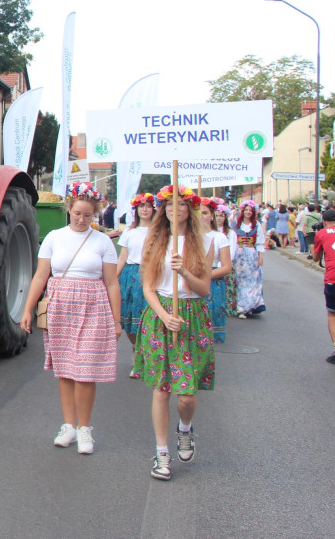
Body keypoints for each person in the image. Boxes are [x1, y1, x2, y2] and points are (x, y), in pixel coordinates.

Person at [20, 182, 120, 455]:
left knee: (86, 371)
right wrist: (27, 309)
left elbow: (112, 282)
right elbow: (41, 276)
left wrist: (117, 320)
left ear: (94, 214)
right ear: (69, 209)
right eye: (77, 213)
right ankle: (68, 426)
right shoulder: (54, 237)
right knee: (65, 369)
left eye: (87, 215)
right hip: (61, 303)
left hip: (93, 305)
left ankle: (85, 429)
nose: (81, 219)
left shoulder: (102, 242)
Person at [133, 186, 214, 481]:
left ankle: (184, 429)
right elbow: (148, 288)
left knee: (187, 395)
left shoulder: (205, 243)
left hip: (192, 317)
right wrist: (165, 316)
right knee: (162, 389)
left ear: (189, 210)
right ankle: (162, 453)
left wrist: (185, 273)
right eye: (168, 205)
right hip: (161, 316)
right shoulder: (154, 241)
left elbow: (204, 289)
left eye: (180, 205)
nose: (173, 210)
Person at [117, 193, 154, 366]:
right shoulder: (129, 231)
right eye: (141, 206)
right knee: (130, 317)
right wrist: (111, 279)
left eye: (148, 206)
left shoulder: (160, 231)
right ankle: (135, 350)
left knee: (148, 317)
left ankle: (147, 353)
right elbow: (123, 258)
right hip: (131, 275)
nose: (145, 210)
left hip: (152, 274)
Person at [199, 198, 233, 343]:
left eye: (205, 213)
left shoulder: (219, 237)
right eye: (198, 213)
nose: (201, 216)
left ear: (212, 215)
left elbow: (227, 267)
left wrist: (206, 277)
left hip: (212, 281)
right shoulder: (189, 236)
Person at [312, 208, 335, 366]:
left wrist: (314, 239)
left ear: (324, 222)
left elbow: (315, 258)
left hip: (334, 280)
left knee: (333, 316)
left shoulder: (321, 234)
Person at [233, 200, 266, 318]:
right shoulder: (236, 224)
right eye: (246, 210)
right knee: (240, 280)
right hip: (239, 254)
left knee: (253, 280)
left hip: (251, 255)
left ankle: (251, 304)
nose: (248, 212)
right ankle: (240, 307)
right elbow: (232, 240)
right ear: (243, 211)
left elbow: (260, 242)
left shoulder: (256, 225)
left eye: (250, 210)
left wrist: (260, 256)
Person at [213, 204, 239, 320]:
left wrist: (221, 266)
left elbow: (231, 251)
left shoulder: (230, 233)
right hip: (212, 266)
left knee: (225, 291)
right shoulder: (209, 231)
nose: (219, 218)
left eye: (221, 216)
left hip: (224, 266)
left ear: (225, 217)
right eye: (217, 215)